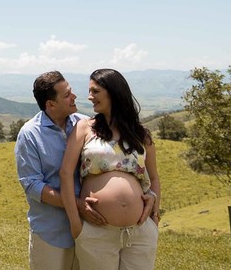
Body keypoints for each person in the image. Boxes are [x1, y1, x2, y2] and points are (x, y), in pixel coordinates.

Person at [61, 68, 160, 269]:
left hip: (140, 233)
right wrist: (75, 224)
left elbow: (155, 178)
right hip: (97, 232)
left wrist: (154, 217)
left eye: (95, 91)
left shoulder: (141, 134)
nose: (90, 97)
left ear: (113, 92)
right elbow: (65, 173)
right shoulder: (84, 128)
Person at [16, 70, 106, 270]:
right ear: (51, 104)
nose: (74, 97)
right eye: (66, 95)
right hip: (51, 233)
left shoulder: (85, 124)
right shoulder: (30, 134)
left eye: (71, 91)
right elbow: (32, 185)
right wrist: (77, 205)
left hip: (89, 229)